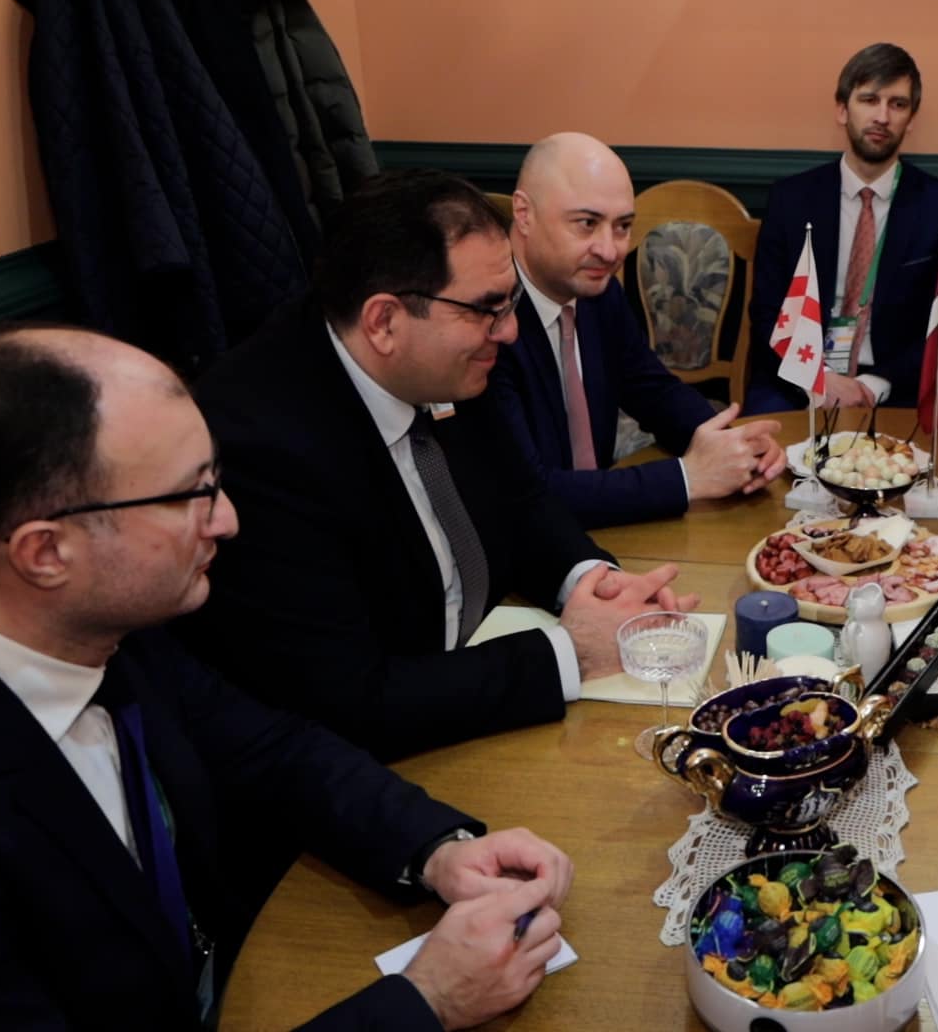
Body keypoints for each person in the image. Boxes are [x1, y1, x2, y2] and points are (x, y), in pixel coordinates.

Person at [0, 324, 577, 1029]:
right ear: (44, 553)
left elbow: (270, 750)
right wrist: (427, 1001)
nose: (228, 519)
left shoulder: (93, 621)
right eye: (191, 494)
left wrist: (437, 849)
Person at [185, 171, 694, 762]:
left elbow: (521, 497)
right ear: (384, 322)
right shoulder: (261, 447)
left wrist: (589, 581)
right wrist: (570, 653)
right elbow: (349, 699)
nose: (509, 331)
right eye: (487, 310)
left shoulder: (444, 357)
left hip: (482, 683)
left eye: (510, 303)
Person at [489, 132, 786, 528]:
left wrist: (730, 444)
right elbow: (529, 493)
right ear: (524, 213)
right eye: (587, 224)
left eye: (623, 226)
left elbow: (650, 388)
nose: (610, 250)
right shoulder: (487, 317)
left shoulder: (597, 291)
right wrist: (689, 477)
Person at [742, 42, 938, 414]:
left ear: (911, 120)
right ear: (842, 110)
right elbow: (768, 314)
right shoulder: (791, 200)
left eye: (897, 104)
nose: (882, 116)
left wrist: (872, 386)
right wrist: (818, 380)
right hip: (796, 382)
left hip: (895, 390)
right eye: (869, 100)